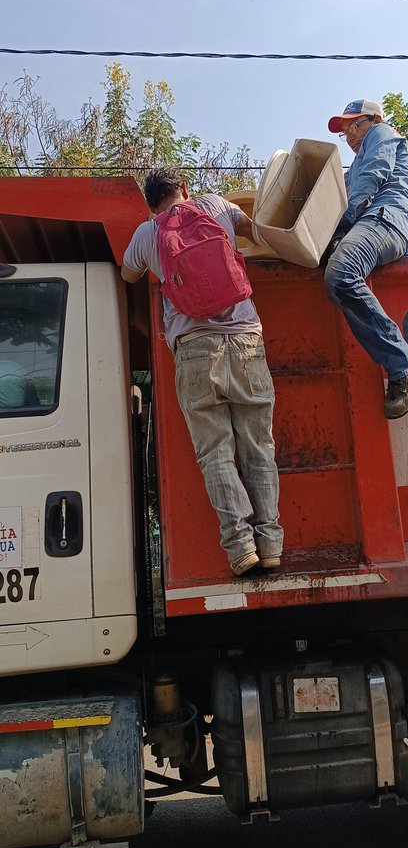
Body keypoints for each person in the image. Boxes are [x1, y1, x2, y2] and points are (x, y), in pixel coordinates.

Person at [121, 167, 284, 577]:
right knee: (259, 448)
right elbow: (257, 230)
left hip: (194, 350)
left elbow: (129, 273)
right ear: (184, 190)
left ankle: (240, 547)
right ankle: (272, 543)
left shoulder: (147, 233)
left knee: (216, 454)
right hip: (245, 340)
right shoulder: (214, 205)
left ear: (149, 203)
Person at [324, 98, 408, 419]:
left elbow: (373, 176)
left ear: (372, 119)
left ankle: (403, 365)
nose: (350, 135)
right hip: (369, 223)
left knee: (340, 273)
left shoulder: (381, 134)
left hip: (384, 220)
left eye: (353, 125)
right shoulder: (351, 167)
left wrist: (344, 221)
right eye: (344, 132)